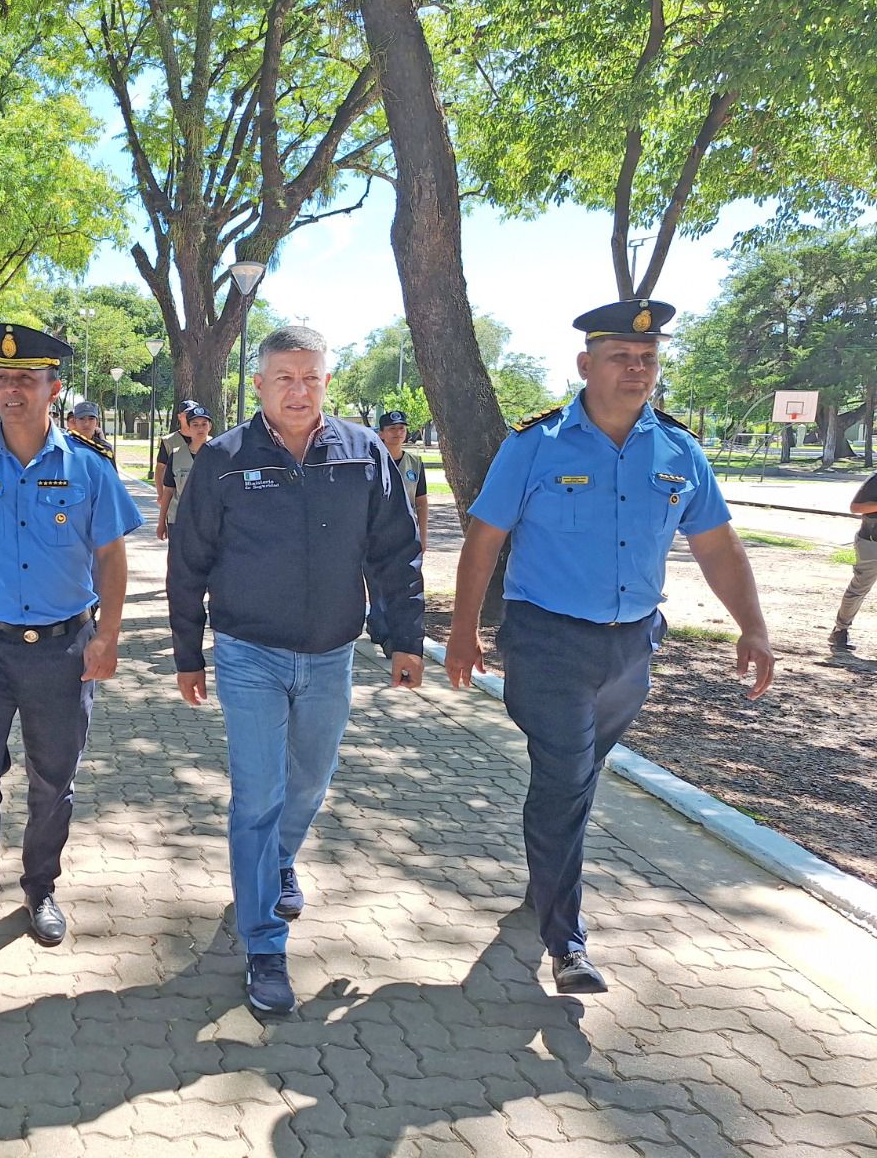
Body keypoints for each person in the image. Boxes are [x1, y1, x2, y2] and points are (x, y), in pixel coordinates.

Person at [444, 298, 775, 997]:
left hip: (632, 648)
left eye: (648, 359)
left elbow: (715, 544)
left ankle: (545, 878)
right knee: (566, 773)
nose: (637, 369)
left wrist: (753, 625)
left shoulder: (679, 451)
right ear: (586, 364)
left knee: (579, 776)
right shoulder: (535, 445)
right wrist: (463, 631)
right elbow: (485, 540)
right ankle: (566, 941)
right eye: (622, 357)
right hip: (547, 641)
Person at [167, 325, 425, 1015]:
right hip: (248, 654)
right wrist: (188, 652)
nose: (299, 390)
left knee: (309, 783)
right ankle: (263, 945)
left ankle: (280, 860)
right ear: (258, 384)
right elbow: (187, 562)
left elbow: (395, 551)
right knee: (257, 796)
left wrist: (405, 638)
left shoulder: (363, 453)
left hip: (332, 654)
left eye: (311, 377)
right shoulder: (223, 460)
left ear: (327, 383)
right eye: (285, 377)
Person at [0, 323, 144, 973]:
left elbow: (111, 556)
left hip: (64, 651)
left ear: (54, 389)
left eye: (26, 378)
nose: (11, 389)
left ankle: (40, 887)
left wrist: (109, 636)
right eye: (3, 378)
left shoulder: (89, 470)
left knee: (54, 781)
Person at [366, 409, 430, 653]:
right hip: (373, 534)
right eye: (392, 429)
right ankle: (382, 630)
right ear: (381, 433)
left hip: (405, 535)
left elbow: (422, 501)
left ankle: (390, 631)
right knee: (376, 584)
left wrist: (423, 535)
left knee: (404, 584)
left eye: (401, 428)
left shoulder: (414, 463)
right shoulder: (371, 460)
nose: (397, 433)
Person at [829, 469, 877, 651]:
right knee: (859, 588)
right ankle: (840, 630)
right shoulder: (876, 479)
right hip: (872, 543)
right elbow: (855, 507)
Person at [156, 404, 213, 539]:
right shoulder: (176, 455)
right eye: (195, 424)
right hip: (179, 520)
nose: (200, 428)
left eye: (204, 424)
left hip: (209, 521)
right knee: (177, 560)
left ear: (210, 427)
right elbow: (169, 491)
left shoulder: (220, 454)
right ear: (188, 427)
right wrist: (161, 521)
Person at [155, 399, 202, 516]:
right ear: (180, 416)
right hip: (176, 499)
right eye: (187, 414)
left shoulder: (207, 440)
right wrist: (161, 494)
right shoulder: (169, 441)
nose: (190, 417)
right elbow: (160, 468)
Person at [66, 400, 116, 465]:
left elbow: (111, 474)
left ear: (97, 422)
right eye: (81, 418)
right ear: (75, 421)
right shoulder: (65, 446)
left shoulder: (105, 448)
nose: (86, 423)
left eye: (91, 419)